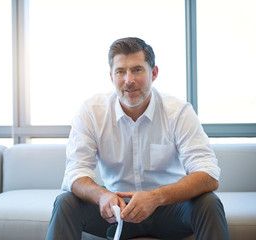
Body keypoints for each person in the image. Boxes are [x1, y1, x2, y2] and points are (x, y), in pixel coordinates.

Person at [46, 37, 230, 240]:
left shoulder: (178, 112)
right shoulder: (91, 111)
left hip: (168, 207)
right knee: (65, 202)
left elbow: (208, 174)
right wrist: (102, 196)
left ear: (154, 73)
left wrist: (155, 197)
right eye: (120, 72)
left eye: (137, 70)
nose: (128, 80)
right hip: (116, 211)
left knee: (209, 203)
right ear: (111, 76)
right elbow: (75, 172)